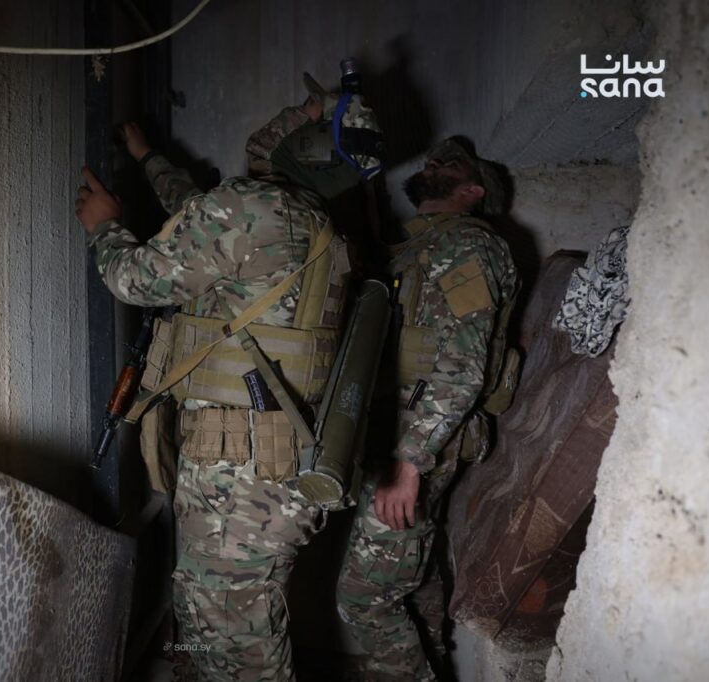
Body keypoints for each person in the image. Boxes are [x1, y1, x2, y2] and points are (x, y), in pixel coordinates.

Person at [74, 85, 382, 680]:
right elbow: (198, 210)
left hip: (240, 479)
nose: (291, 119)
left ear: (315, 145)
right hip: (267, 467)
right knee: (213, 621)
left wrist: (105, 226)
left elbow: (137, 280)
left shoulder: (255, 206)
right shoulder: (313, 223)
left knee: (239, 645)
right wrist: (146, 156)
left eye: (309, 116)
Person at [336, 137, 519, 681]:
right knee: (414, 582)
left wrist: (409, 465)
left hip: (418, 443)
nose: (434, 163)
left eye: (451, 163)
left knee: (365, 599)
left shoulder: (468, 244)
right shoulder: (418, 245)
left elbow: (464, 366)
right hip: (396, 436)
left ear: (473, 191)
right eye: (433, 158)